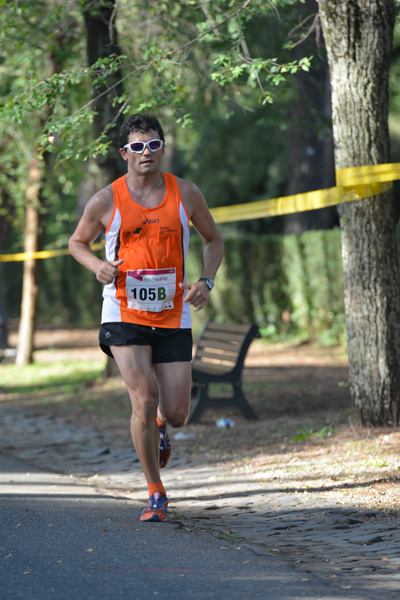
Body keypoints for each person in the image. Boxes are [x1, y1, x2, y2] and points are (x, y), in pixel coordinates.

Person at [69, 113, 224, 522]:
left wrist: (206, 281)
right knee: (143, 396)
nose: (146, 153)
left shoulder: (186, 193)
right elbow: (77, 242)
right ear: (124, 153)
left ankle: (160, 425)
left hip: (173, 313)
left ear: (162, 148)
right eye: (137, 147)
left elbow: (214, 239)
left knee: (175, 413)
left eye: (153, 145)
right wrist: (95, 266)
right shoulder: (105, 200)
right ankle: (155, 491)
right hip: (123, 312)